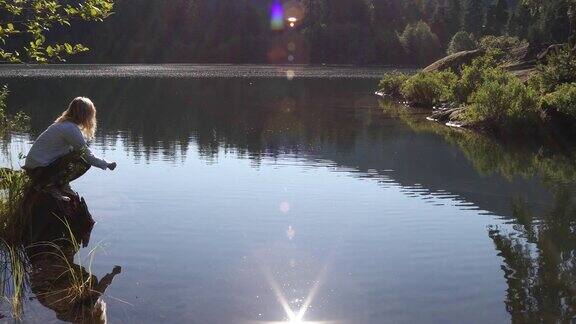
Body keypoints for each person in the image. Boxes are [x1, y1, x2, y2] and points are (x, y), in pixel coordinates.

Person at [23, 97, 116, 201]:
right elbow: (87, 155)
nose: (92, 118)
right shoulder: (69, 128)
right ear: (84, 114)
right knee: (83, 162)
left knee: (74, 154)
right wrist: (106, 164)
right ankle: (49, 186)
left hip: (34, 168)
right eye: (91, 114)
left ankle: (61, 185)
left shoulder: (63, 124)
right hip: (39, 170)